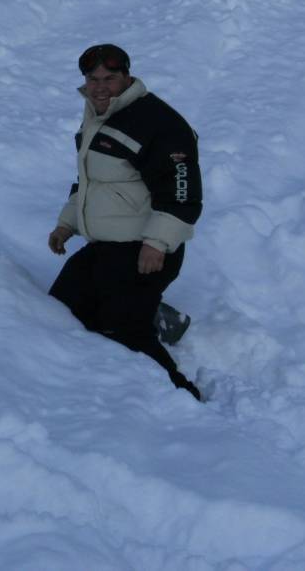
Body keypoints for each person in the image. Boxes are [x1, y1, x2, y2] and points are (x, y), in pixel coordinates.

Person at [47, 44, 203, 401]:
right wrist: (67, 224)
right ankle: (154, 313)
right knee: (61, 311)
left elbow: (182, 193)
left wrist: (156, 243)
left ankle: (183, 398)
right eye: (93, 79)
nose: (100, 87)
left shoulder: (159, 123)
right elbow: (92, 183)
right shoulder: (97, 114)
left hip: (145, 250)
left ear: (127, 77)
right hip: (106, 247)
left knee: (122, 330)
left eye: (110, 78)